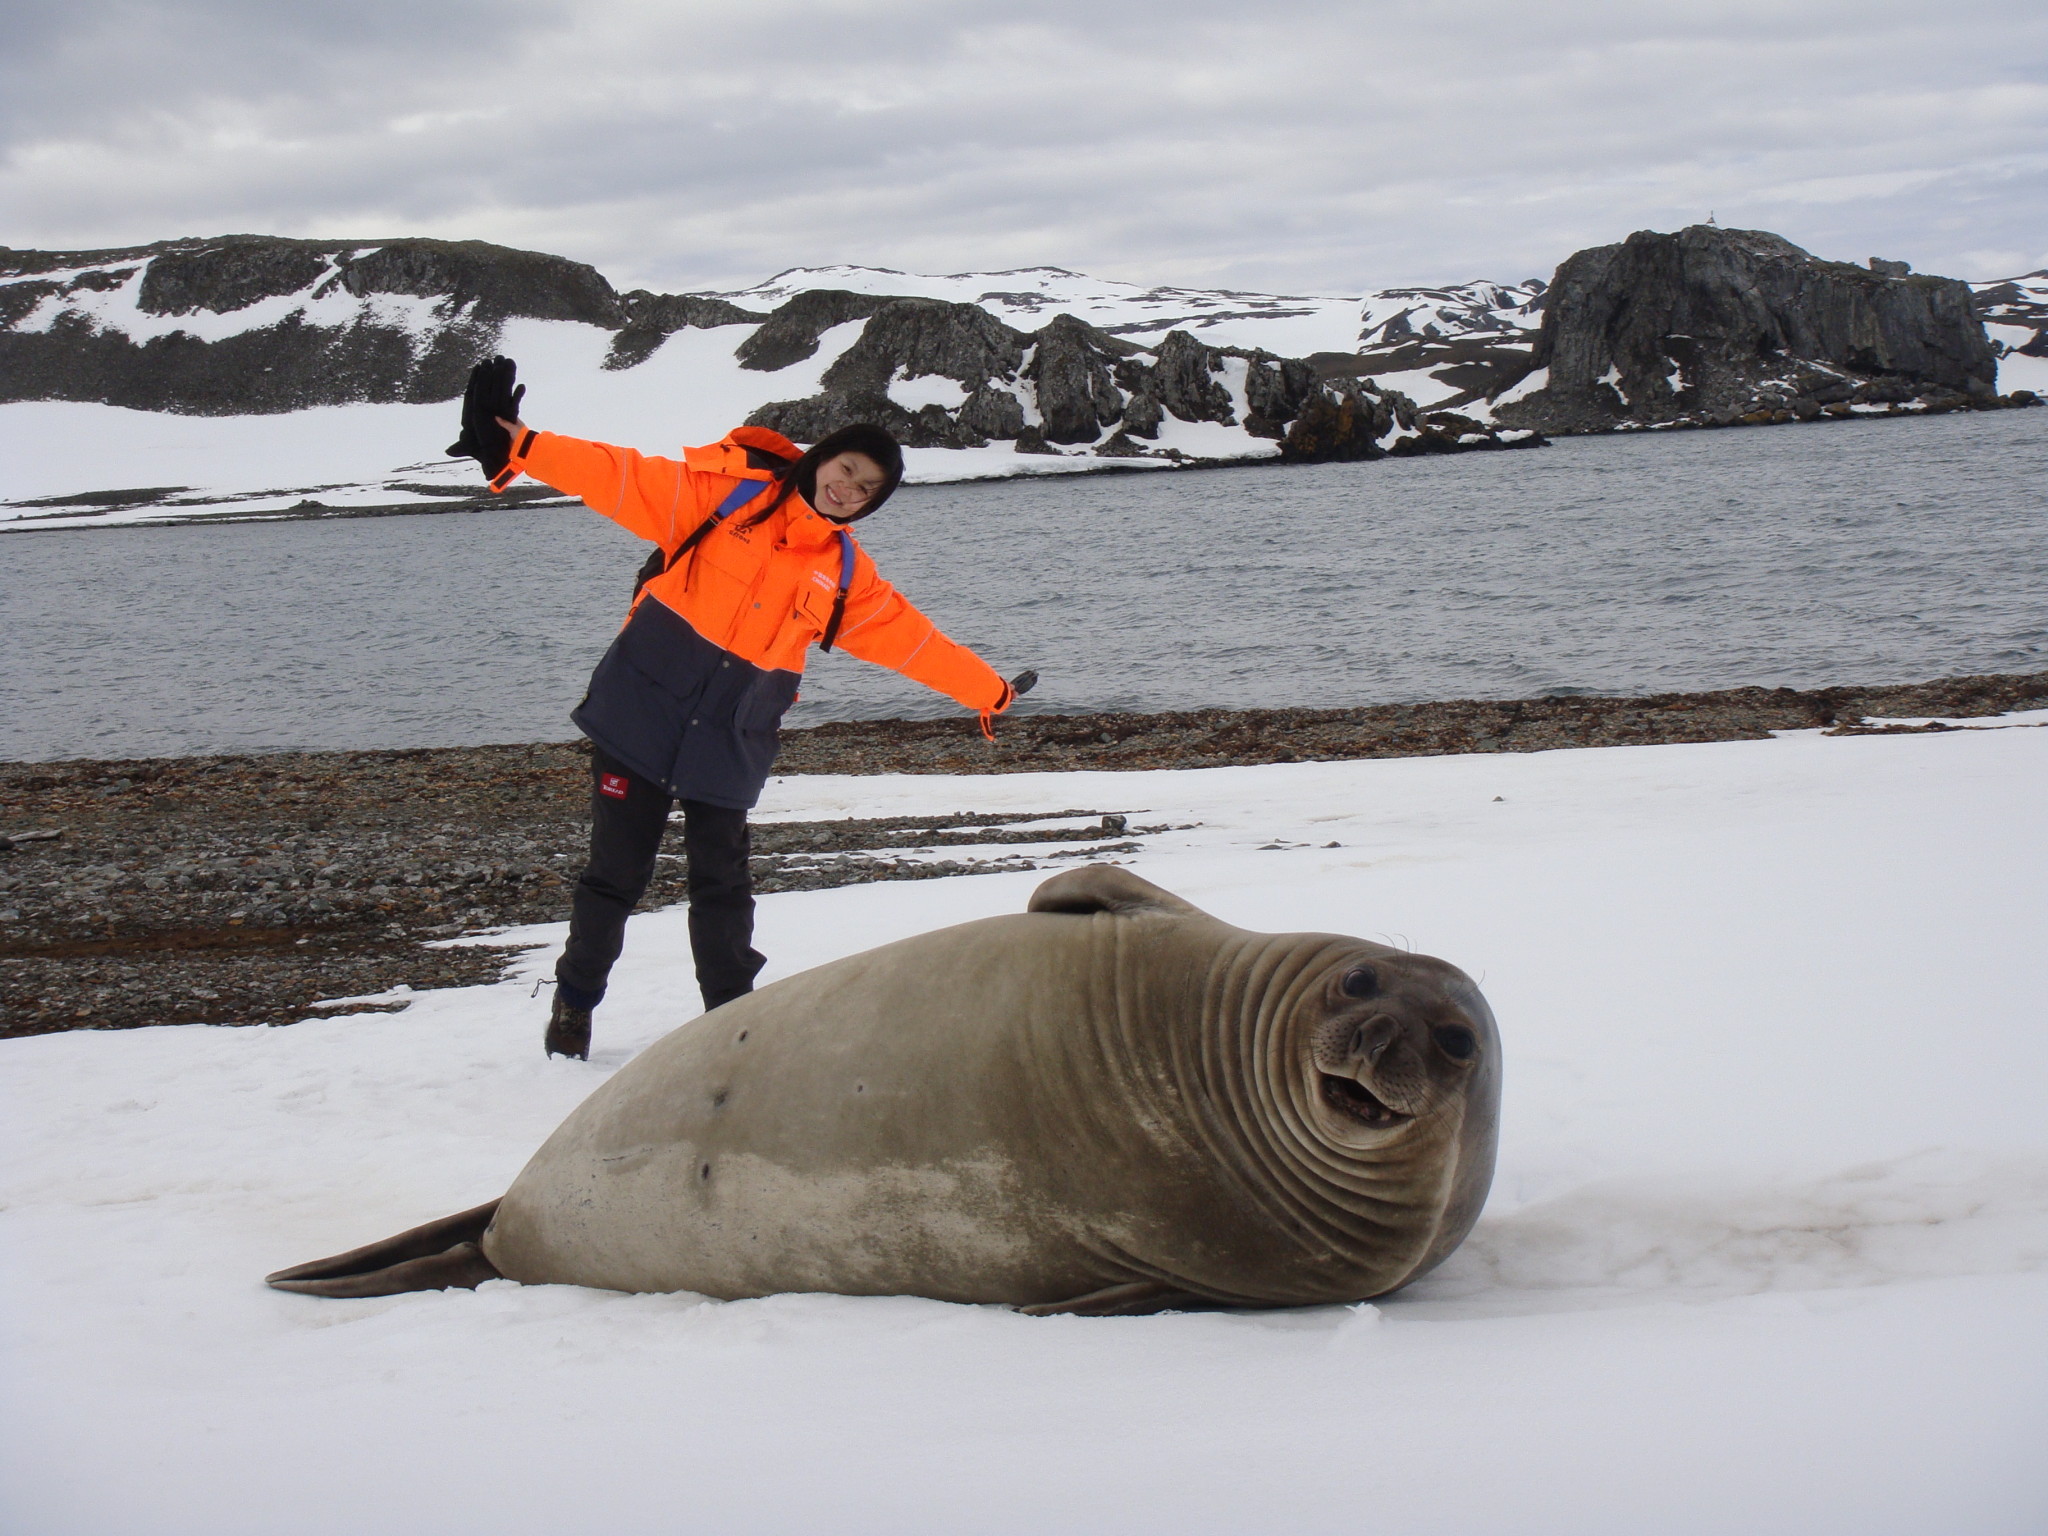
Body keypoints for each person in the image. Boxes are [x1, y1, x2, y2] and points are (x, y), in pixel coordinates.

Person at [447, 358, 1032, 1059]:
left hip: (730, 737)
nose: (850, 490)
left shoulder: (847, 577)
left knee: (722, 885)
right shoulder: (726, 497)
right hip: (641, 713)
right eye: (847, 469)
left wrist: (987, 690)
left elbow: (913, 642)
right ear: (822, 460)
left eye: (868, 489)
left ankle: (732, 1024)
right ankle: (574, 1006)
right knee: (615, 876)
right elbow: (619, 474)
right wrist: (522, 445)